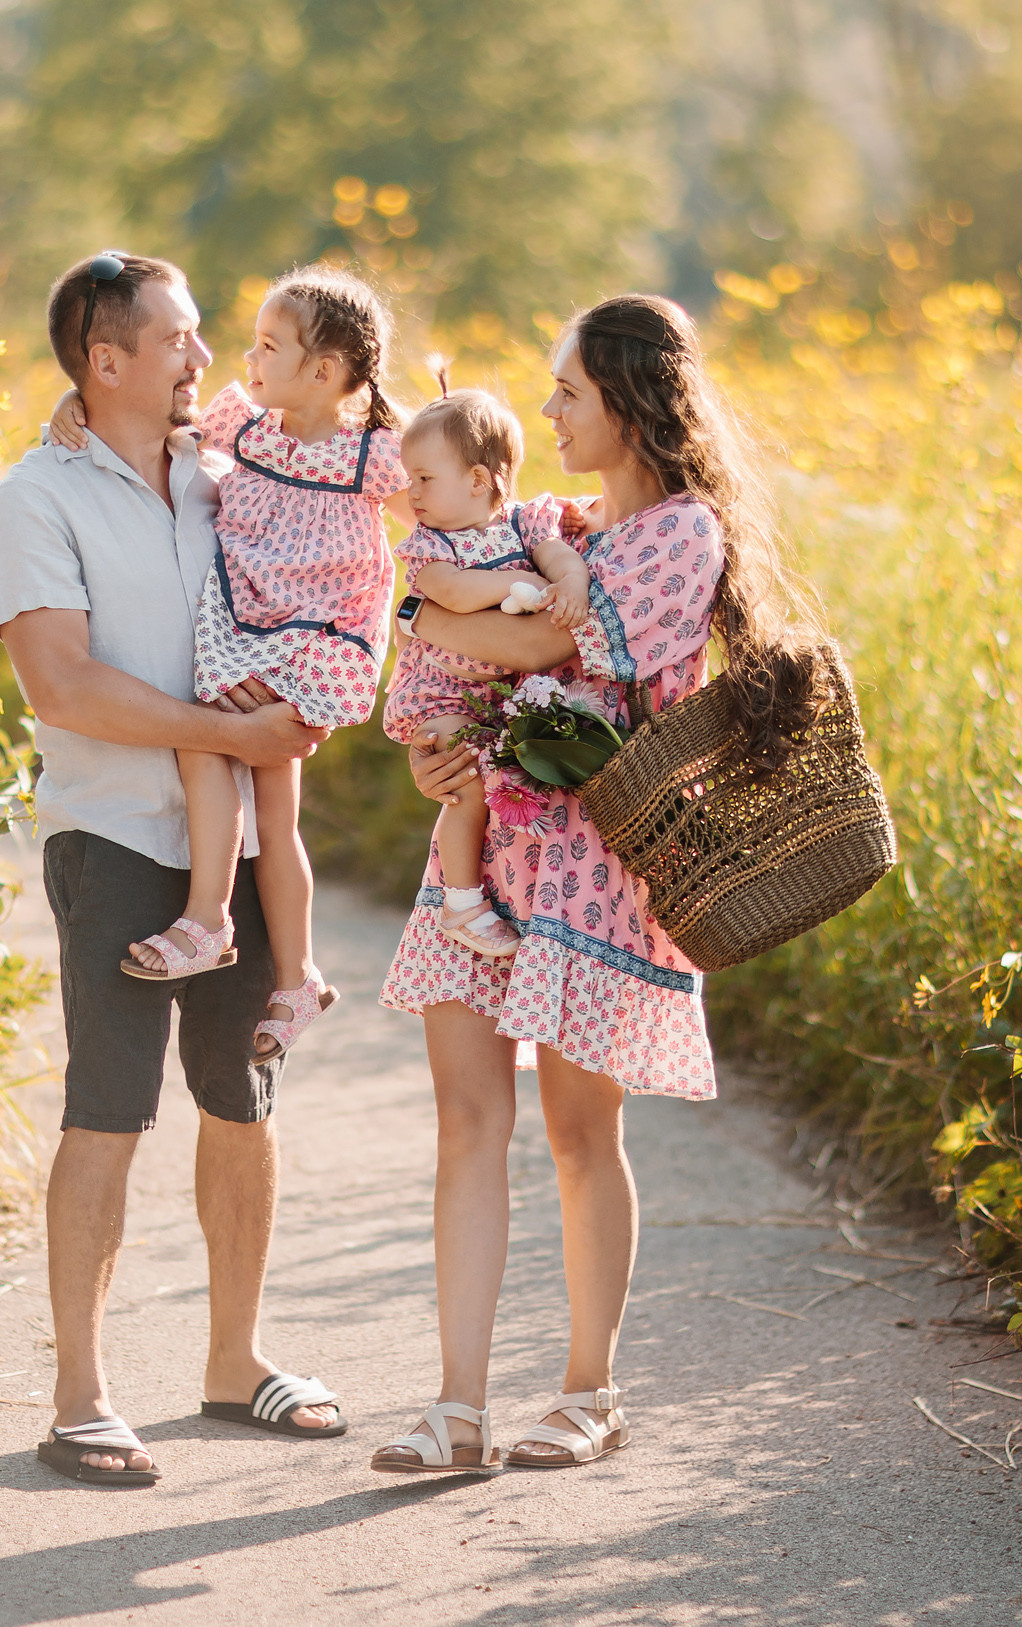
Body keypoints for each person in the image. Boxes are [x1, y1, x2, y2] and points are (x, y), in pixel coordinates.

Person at [370, 294, 829, 1474]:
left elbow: (534, 649)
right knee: (466, 1122)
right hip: (489, 852)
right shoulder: (554, 524)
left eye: (567, 391)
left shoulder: (682, 535)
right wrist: (441, 736)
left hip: (593, 868)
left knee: (580, 1133)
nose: (547, 411)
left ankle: (589, 1388)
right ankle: (455, 1407)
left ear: (628, 402)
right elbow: (483, 643)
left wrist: (423, 607)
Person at [0, 251, 349, 1489]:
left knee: (241, 1099)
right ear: (106, 363)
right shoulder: (34, 498)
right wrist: (227, 736)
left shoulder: (228, 473)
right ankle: (79, 1395)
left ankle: (234, 1366)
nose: (204, 359)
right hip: (117, 840)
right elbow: (60, 684)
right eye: (181, 340)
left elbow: (349, 466)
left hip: (236, 846)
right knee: (109, 1107)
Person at [50, 266, 407, 1059]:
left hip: (314, 641)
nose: (243, 358)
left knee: (216, 751)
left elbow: (446, 488)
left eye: (268, 346)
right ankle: (296, 974)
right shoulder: (244, 427)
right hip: (248, 630)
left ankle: (212, 919)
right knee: (265, 807)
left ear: (325, 371)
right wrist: (74, 400)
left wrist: (523, 554)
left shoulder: (369, 455)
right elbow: (141, 424)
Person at [378, 384, 592, 959]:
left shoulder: (525, 523)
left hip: (493, 699)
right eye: (409, 477)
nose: (411, 492)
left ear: (477, 480)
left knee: (502, 781)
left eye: (424, 478)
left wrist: (568, 582)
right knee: (464, 785)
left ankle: (505, 890)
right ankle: (461, 901)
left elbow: (559, 554)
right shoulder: (430, 547)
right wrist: (516, 586)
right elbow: (449, 590)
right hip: (440, 698)